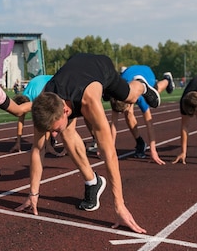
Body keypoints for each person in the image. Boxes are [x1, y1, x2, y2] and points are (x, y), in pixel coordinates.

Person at [15, 53, 163, 234]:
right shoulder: (45, 103)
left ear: (66, 111)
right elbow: (37, 150)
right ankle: (93, 182)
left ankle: (142, 85)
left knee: (129, 96)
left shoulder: (90, 102)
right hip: (74, 66)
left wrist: (119, 206)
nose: (52, 134)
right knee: (66, 133)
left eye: (54, 129)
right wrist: (33, 194)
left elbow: (109, 153)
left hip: (101, 68)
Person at [109, 65, 175, 164]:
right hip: (130, 73)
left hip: (147, 73)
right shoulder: (116, 95)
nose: (122, 113)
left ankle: (167, 79)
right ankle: (140, 142)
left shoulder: (142, 98)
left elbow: (149, 124)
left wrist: (153, 151)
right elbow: (113, 125)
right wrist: (110, 148)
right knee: (128, 113)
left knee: (156, 90)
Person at [10, 74, 65, 157]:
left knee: (55, 116)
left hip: (55, 82)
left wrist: (48, 146)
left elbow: (46, 118)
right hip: (42, 82)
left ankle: (60, 144)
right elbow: (20, 121)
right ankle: (50, 142)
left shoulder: (39, 97)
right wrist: (18, 143)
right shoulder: (24, 98)